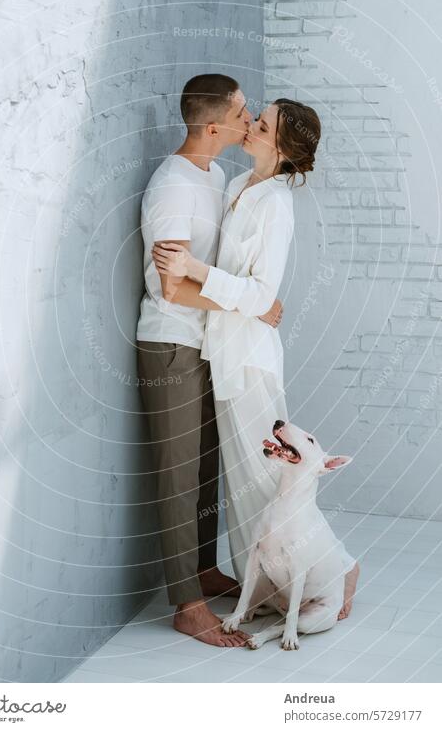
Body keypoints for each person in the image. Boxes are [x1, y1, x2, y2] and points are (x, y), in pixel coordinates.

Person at [152, 98, 360, 621]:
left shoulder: (275, 204)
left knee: (270, 479)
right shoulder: (234, 186)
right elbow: (253, 297)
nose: (252, 126)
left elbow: (262, 293)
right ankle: (267, 581)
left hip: (249, 360)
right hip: (226, 353)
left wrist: (193, 267)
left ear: (283, 148)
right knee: (246, 478)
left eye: (261, 125)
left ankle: (338, 567)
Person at [136, 74, 284, 648]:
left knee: (204, 471)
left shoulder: (218, 175)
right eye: (245, 112)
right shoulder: (172, 186)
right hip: (170, 343)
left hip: (209, 343)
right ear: (216, 126)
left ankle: (203, 569)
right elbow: (172, 288)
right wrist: (250, 307)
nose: (251, 120)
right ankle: (187, 605)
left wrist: (250, 302)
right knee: (176, 477)